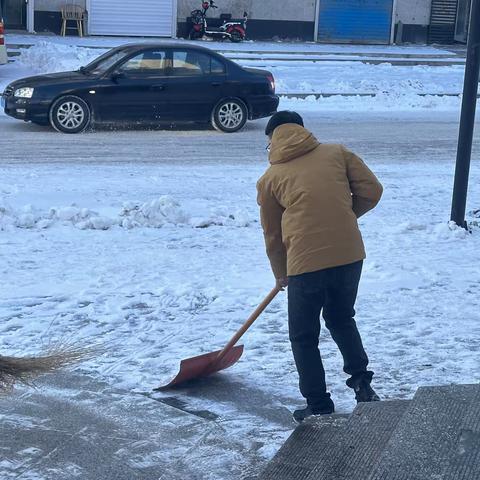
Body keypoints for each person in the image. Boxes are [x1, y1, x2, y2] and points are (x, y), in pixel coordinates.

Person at [256, 111, 383, 422]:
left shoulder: (270, 179)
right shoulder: (337, 153)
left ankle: (318, 403)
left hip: (305, 263)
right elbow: (372, 191)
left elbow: (273, 236)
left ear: (273, 139)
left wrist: (280, 272)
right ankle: (363, 385)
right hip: (349, 255)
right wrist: (344, 216)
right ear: (302, 130)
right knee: (341, 318)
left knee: (303, 335)